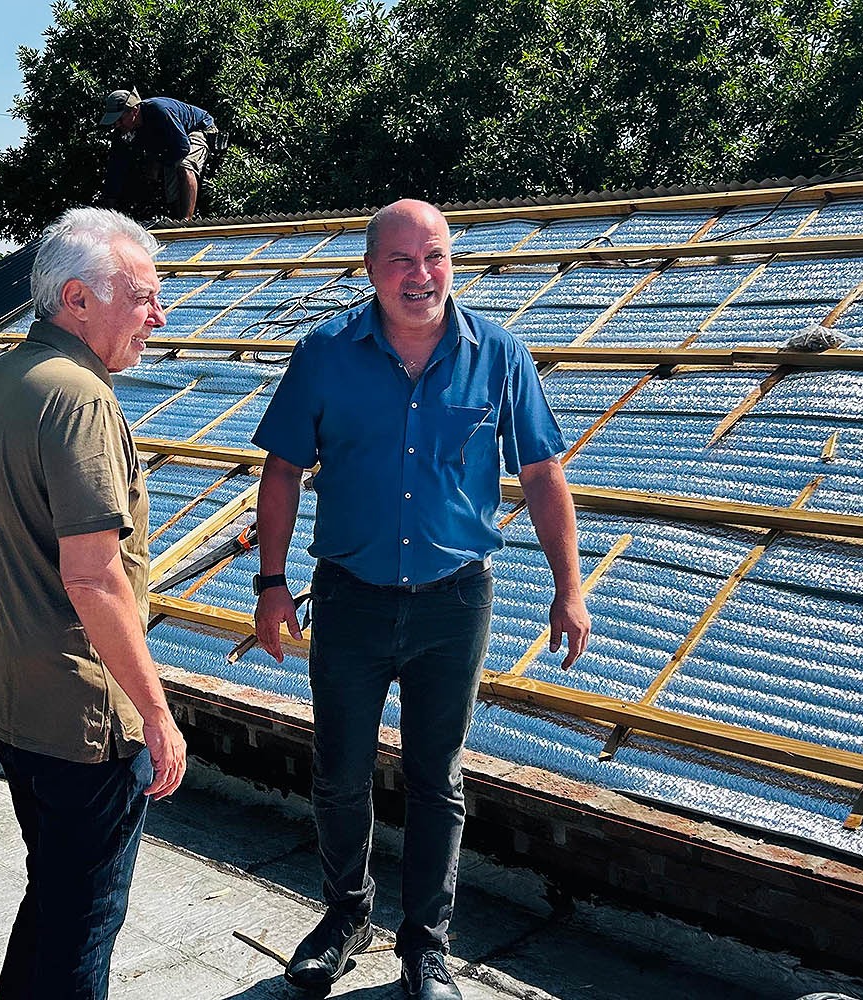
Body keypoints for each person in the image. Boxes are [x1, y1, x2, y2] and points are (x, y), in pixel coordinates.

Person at [251, 199, 591, 1000]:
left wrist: (569, 588)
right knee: (339, 771)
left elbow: (542, 474)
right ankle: (345, 916)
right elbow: (281, 472)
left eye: (434, 256)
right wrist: (270, 584)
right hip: (351, 597)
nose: (420, 275)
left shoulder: (498, 353)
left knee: (438, 777)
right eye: (401, 260)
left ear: (452, 263)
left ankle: (426, 947)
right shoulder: (326, 352)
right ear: (370, 269)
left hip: (453, 602)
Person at [0, 206, 187, 999]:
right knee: (83, 922)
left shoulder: (1, 378)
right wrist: (154, 711)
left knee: (53, 902)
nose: (159, 315)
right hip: (80, 717)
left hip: (12, 698)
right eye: (143, 296)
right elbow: (93, 578)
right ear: (78, 300)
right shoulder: (82, 399)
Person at [99, 87, 216, 221]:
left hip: (199, 129)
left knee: (184, 167)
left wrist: (157, 162)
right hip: (173, 145)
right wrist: (108, 209)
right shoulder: (123, 132)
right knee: (169, 185)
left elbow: (183, 147)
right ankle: (177, 221)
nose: (117, 125)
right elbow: (115, 167)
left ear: (134, 110)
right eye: (114, 122)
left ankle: (186, 222)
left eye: (120, 119)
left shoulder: (159, 111)